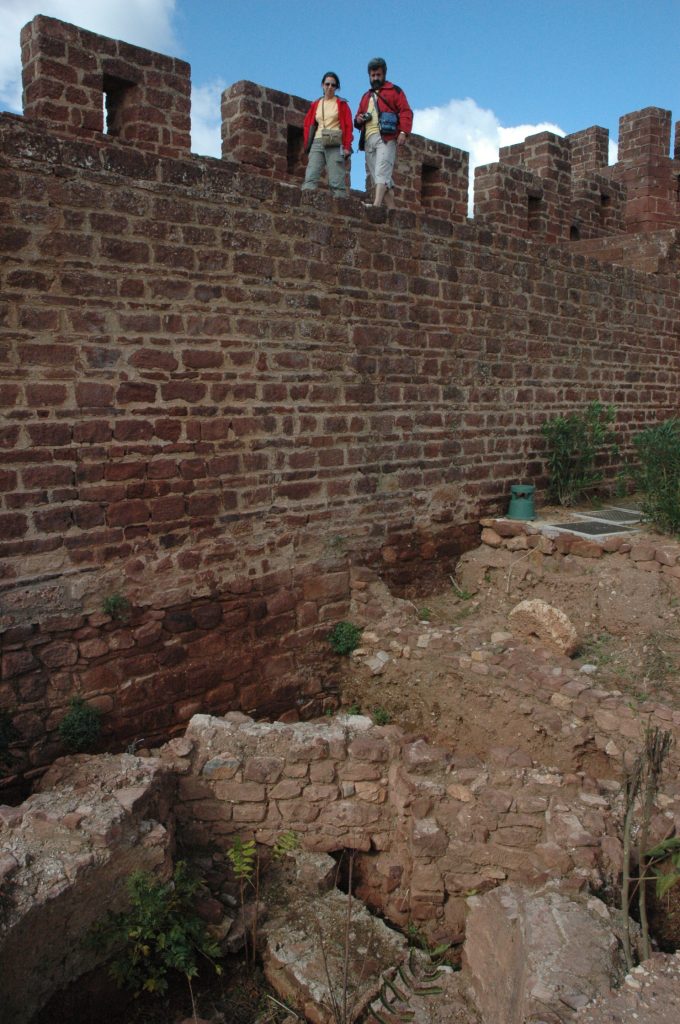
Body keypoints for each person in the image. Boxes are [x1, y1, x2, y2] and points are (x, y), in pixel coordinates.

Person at [354, 57, 413, 208]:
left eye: (378, 75)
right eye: (373, 76)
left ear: (384, 74)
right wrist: (359, 119)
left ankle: (376, 205)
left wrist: (403, 132)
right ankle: (393, 210)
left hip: (386, 138)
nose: (375, 78)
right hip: (368, 139)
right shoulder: (366, 96)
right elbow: (358, 116)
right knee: (380, 176)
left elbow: (406, 112)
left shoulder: (395, 91)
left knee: (381, 172)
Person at [302, 72, 353, 197]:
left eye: (333, 85)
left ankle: (340, 209)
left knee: (337, 180)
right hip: (318, 140)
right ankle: (306, 206)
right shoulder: (316, 104)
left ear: (337, 88)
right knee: (311, 176)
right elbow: (308, 124)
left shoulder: (342, 104)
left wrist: (347, 146)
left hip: (335, 142)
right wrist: (307, 142)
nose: (330, 87)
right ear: (322, 85)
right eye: (327, 84)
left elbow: (348, 126)